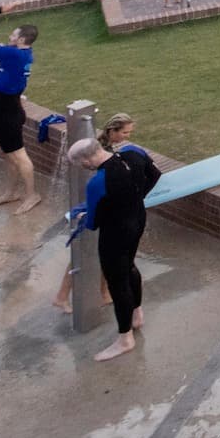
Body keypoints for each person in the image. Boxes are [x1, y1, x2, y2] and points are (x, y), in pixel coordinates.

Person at [67, 136, 161, 362]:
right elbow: (155, 174)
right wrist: (137, 196)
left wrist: (84, 214)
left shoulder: (98, 183)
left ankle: (125, 339)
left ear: (87, 159)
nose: (83, 168)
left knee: (117, 283)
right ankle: (137, 315)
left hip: (116, 234)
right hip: (138, 220)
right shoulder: (133, 152)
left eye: (81, 164)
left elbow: (93, 223)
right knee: (129, 267)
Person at [0, 25, 41, 212]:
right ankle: (11, 192)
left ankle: (32, 195)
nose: (9, 36)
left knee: (19, 155)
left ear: (22, 40)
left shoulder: (18, 55)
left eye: (13, 34)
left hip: (9, 113)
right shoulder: (9, 55)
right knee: (5, 154)